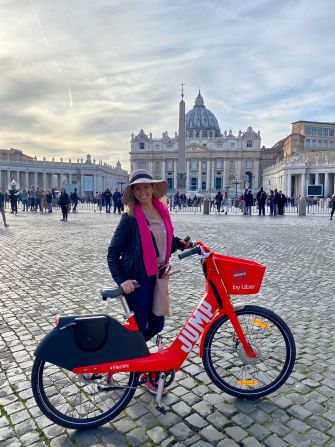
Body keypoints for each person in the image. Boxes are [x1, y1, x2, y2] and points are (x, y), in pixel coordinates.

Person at [107, 169, 192, 391]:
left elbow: (162, 239)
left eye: (146, 187)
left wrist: (179, 244)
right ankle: (134, 368)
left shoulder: (161, 212)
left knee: (157, 324)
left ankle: (118, 358)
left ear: (153, 188)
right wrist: (122, 280)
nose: (142, 192)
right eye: (137, 188)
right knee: (141, 327)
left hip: (158, 276)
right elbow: (112, 252)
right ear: (132, 192)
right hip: (138, 280)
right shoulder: (130, 218)